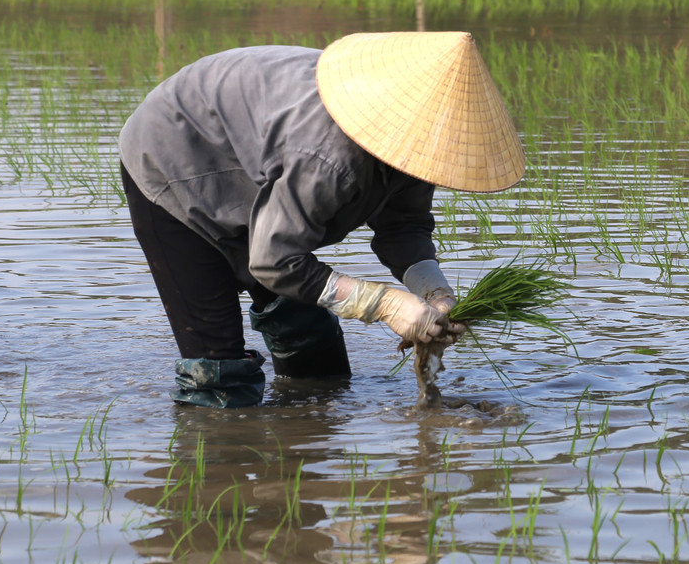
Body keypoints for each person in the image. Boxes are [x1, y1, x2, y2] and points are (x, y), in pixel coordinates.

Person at [119, 31, 525, 408]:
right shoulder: (331, 157)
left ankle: (303, 456)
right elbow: (274, 261)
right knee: (222, 375)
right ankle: (215, 466)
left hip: (261, 170)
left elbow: (403, 228)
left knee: (312, 343)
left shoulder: (418, 149)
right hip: (174, 161)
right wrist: (385, 305)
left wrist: (436, 295)